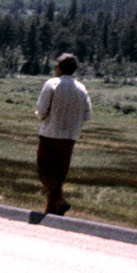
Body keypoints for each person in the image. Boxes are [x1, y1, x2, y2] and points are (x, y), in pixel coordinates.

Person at [35, 53, 93, 216]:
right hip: (70, 138)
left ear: (59, 68)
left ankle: (60, 200)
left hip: (49, 135)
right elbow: (88, 115)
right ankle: (53, 214)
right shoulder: (81, 88)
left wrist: (44, 116)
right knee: (59, 176)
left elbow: (41, 111)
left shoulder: (52, 84)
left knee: (44, 172)